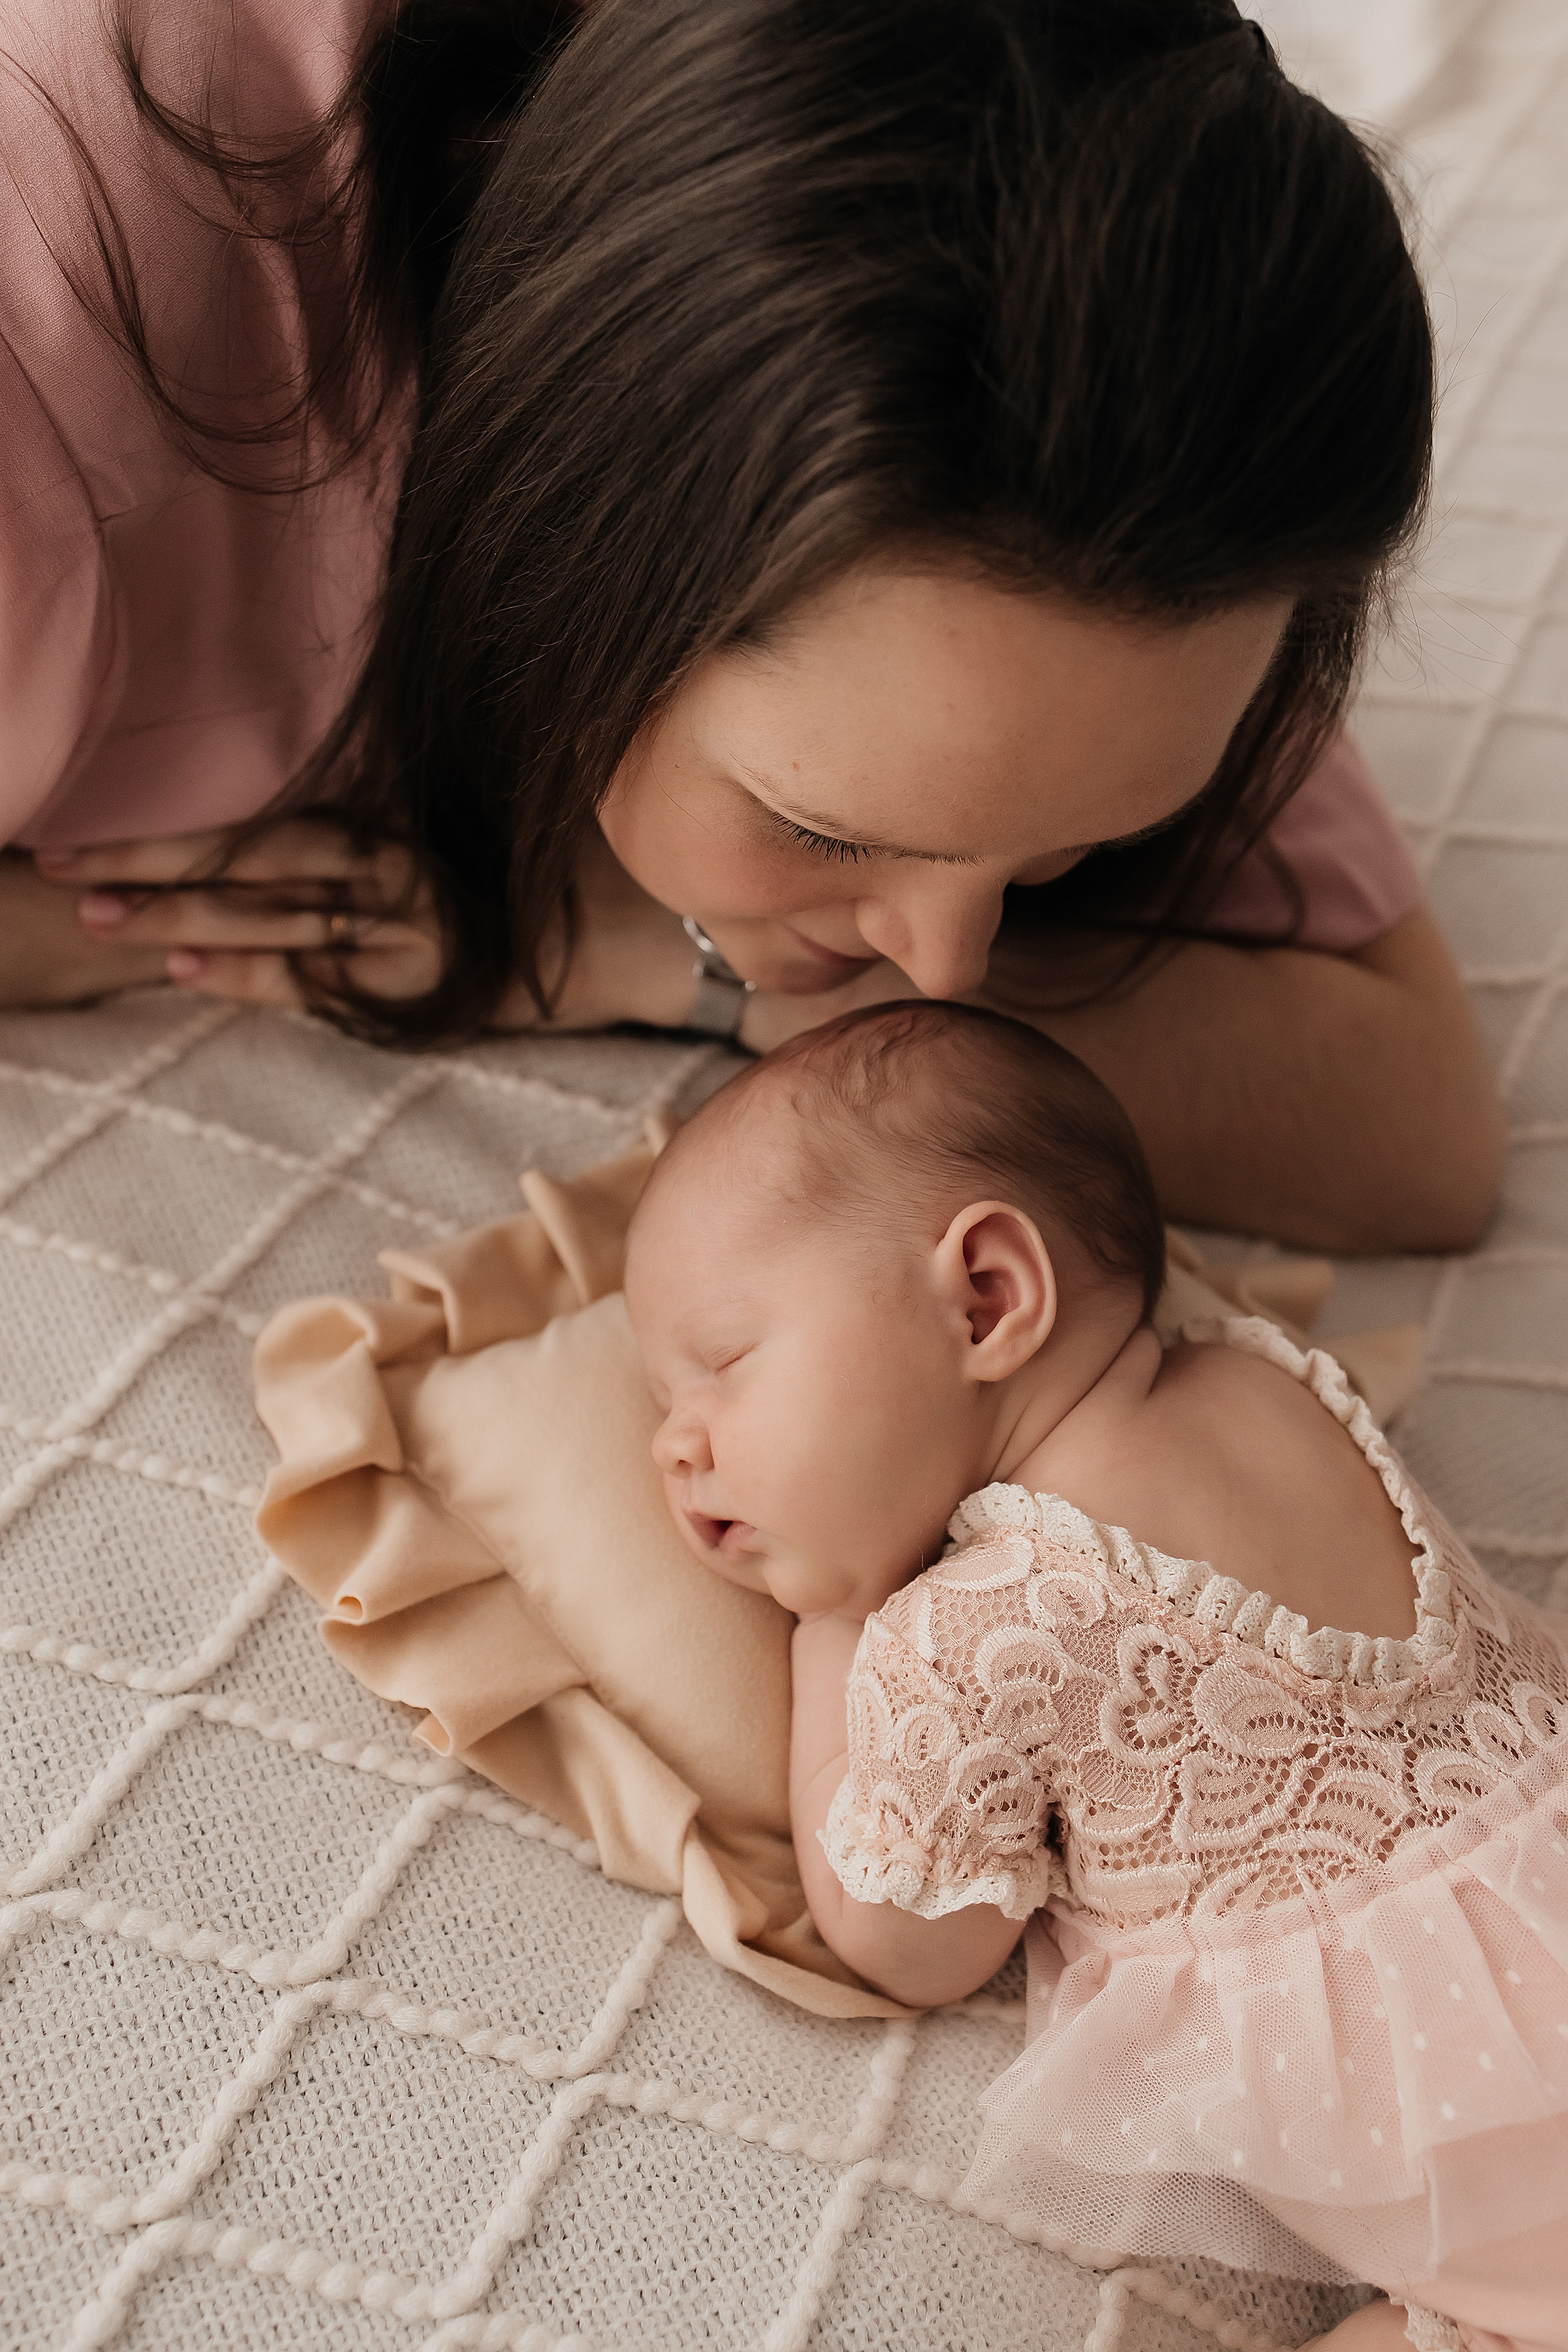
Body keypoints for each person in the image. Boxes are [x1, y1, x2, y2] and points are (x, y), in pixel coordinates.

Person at [0, 0, 1502, 1252]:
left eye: (1069, 853)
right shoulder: (61, 326)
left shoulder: (1093, 356)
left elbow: (1413, 1126)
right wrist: (71, 935)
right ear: (573, 501)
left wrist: (631, 948)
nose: (945, 981)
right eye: (827, 830)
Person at [622, 1000, 1568, 2352]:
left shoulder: (968, 1634)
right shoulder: (1276, 1385)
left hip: (1492, 2138)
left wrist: (829, 1623)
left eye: (721, 1365)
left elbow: (908, 1943)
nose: (675, 1444)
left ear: (986, 1297)